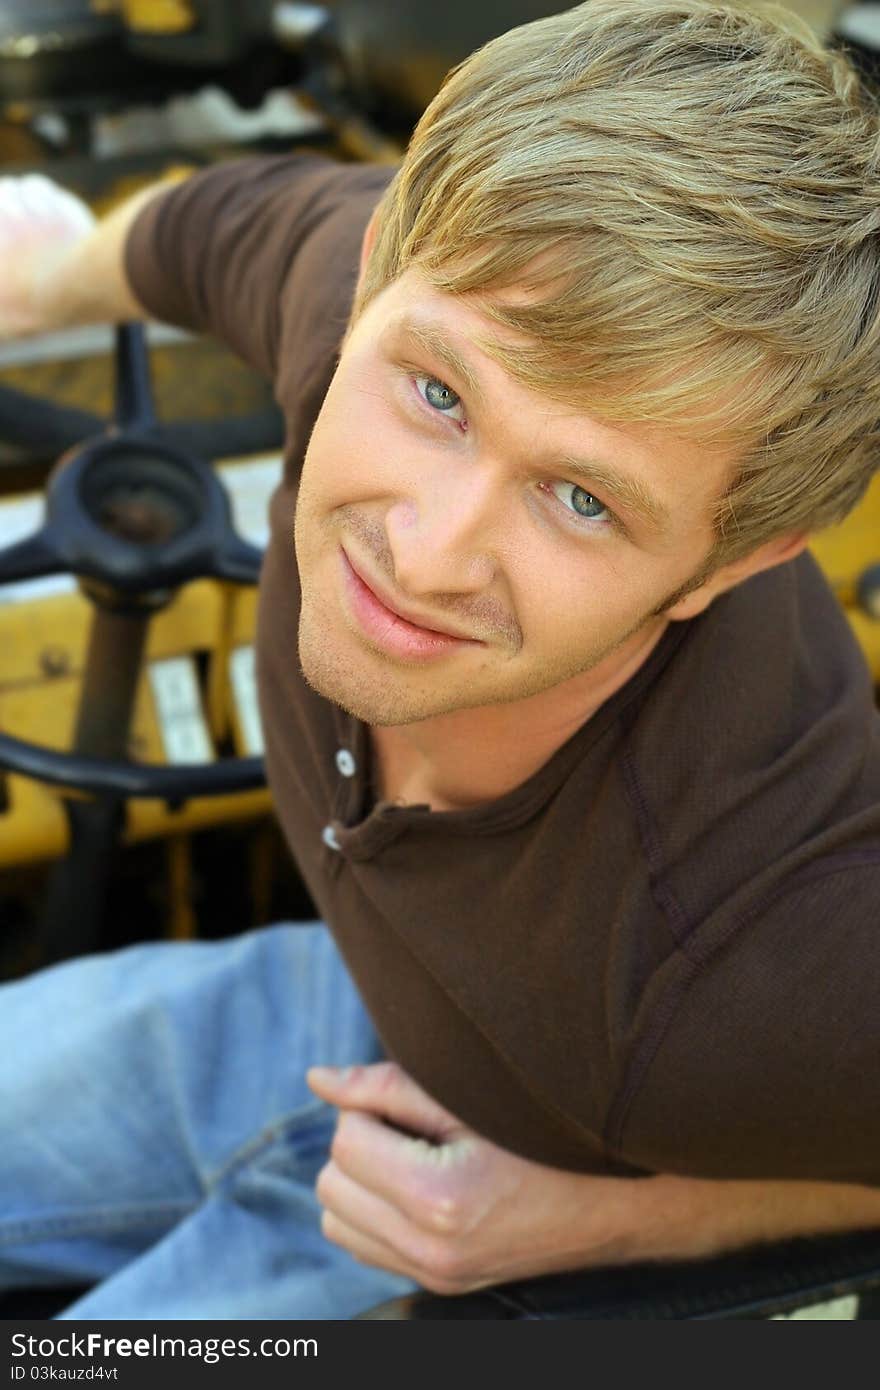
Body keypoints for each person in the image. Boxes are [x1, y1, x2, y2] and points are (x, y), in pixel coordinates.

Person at [1, 0, 879, 1322]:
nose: (425, 553)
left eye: (583, 499)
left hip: (533, 1173)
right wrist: (40, 279)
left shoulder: (761, 974)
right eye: (440, 398)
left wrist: (624, 1215)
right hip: (330, 1003)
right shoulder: (378, 279)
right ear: (367, 292)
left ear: (727, 568)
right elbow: (206, 225)